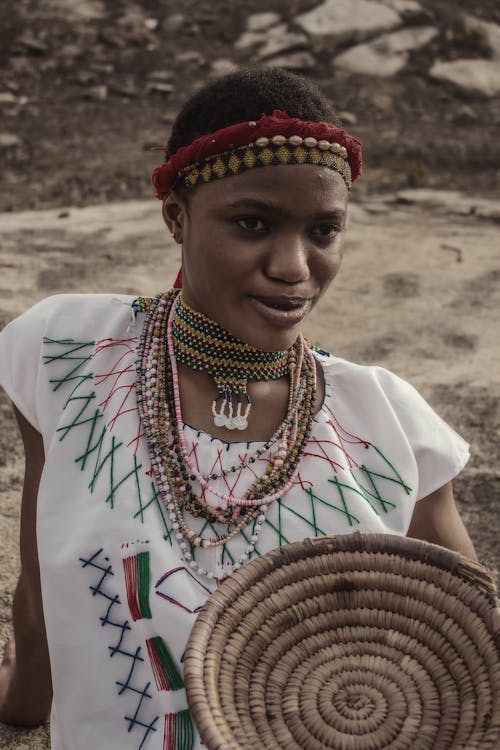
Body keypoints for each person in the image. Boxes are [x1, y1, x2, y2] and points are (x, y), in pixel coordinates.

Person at [0, 67, 476, 750]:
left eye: (323, 230)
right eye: (252, 223)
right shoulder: (71, 359)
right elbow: (45, 579)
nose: (293, 265)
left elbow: (466, 648)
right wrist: (24, 700)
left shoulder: (386, 426)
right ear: (176, 217)